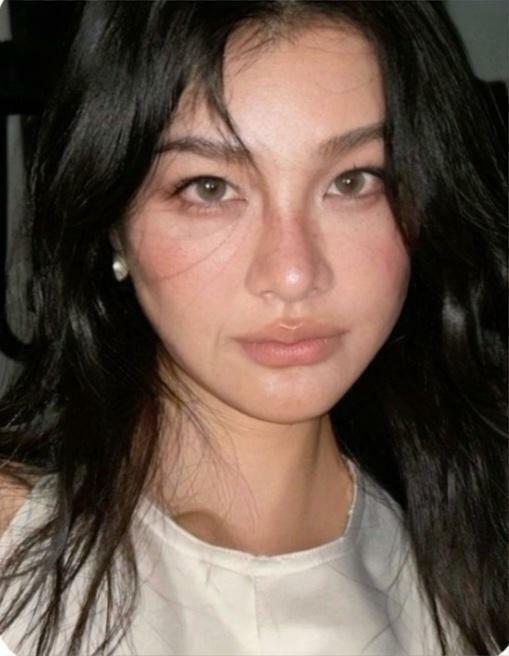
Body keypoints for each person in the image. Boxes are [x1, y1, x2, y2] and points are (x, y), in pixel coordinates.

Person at [0, 2, 506, 655]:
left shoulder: (473, 566)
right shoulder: (16, 554)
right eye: (209, 188)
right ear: (112, 222)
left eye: (353, 181)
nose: (292, 274)